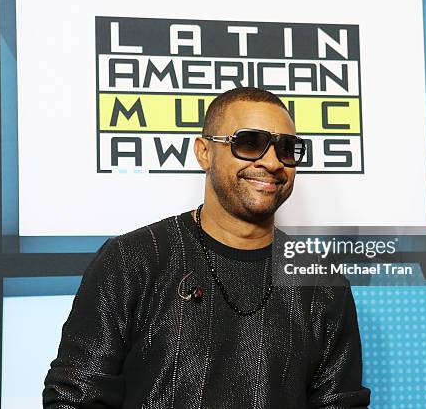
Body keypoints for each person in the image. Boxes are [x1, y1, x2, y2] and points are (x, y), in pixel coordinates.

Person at [43, 87, 371, 408]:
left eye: (287, 149)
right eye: (250, 143)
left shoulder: (322, 283)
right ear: (204, 152)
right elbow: (74, 398)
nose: (272, 163)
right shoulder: (132, 260)